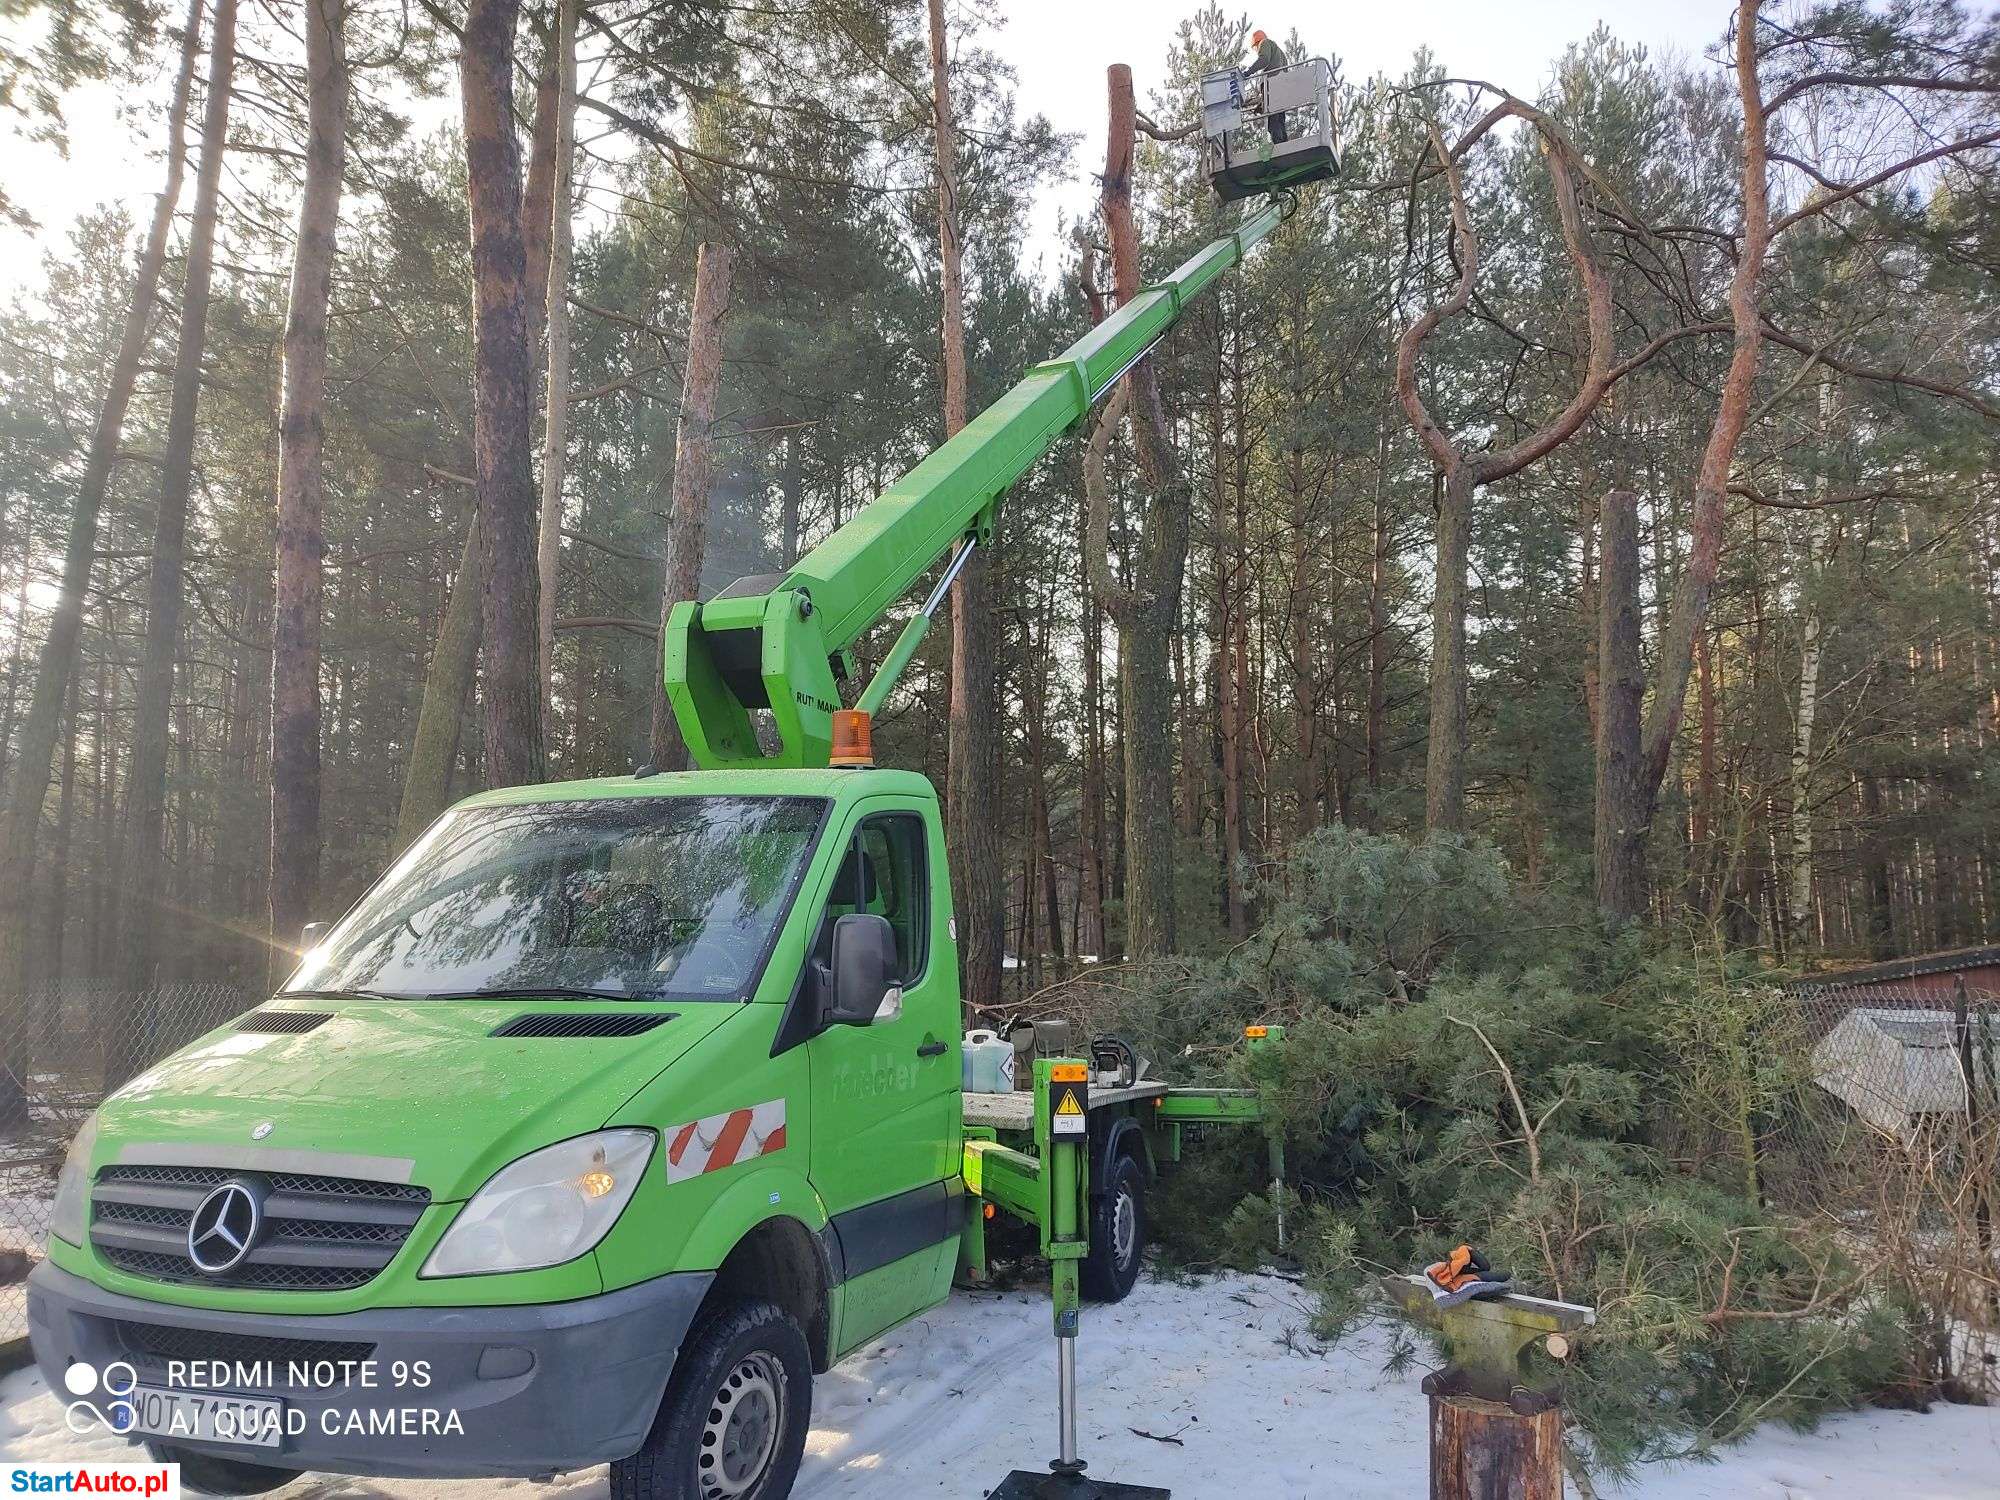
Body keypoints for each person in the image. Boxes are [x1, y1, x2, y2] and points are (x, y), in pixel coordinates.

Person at [1244, 28, 1290, 142]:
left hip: (1272, 85)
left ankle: (1278, 144)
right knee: (1280, 118)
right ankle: (1283, 142)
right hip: (1281, 86)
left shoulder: (1264, 43)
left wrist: (1248, 72)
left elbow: (1264, 60)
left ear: (1256, 42)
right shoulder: (1279, 51)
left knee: (1272, 119)